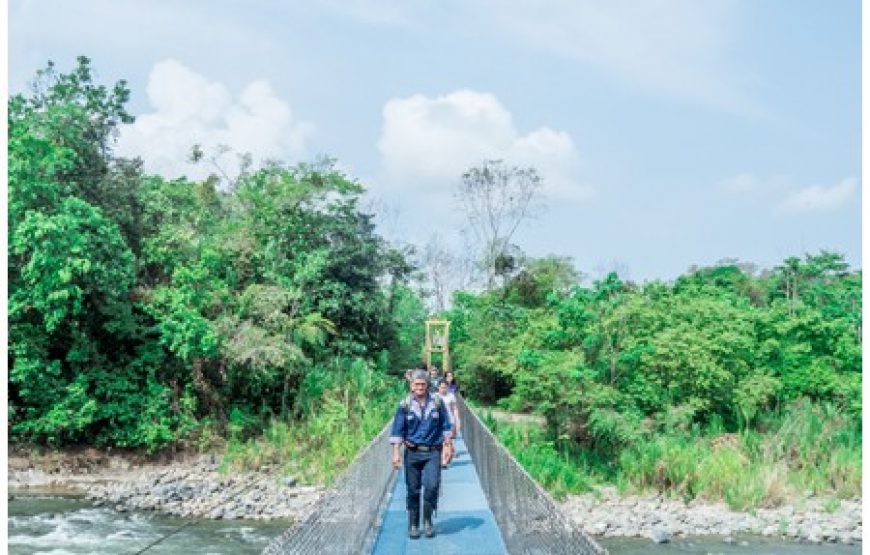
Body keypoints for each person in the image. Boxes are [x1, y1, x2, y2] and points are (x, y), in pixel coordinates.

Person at [390, 369, 453, 539]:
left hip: (433, 451)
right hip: (412, 452)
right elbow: (398, 429)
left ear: (427, 385)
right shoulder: (405, 405)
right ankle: (413, 524)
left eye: (423, 384)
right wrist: (396, 453)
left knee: (432, 486)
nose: (420, 387)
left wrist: (448, 447)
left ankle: (427, 521)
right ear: (411, 385)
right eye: (416, 384)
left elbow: (446, 425)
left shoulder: (438, 402)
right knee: (413, 489)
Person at [436, 379, 460, 468]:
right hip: (438, 423)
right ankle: (443, 460)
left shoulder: (451, 396)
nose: (443, 389)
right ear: (438, 388)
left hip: (450, 422)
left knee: (448, 442)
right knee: (442, 443)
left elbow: (455, 409)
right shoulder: (435, 397)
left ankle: (447, 458)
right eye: (441, 387)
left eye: (445, 387)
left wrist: (457, 421)